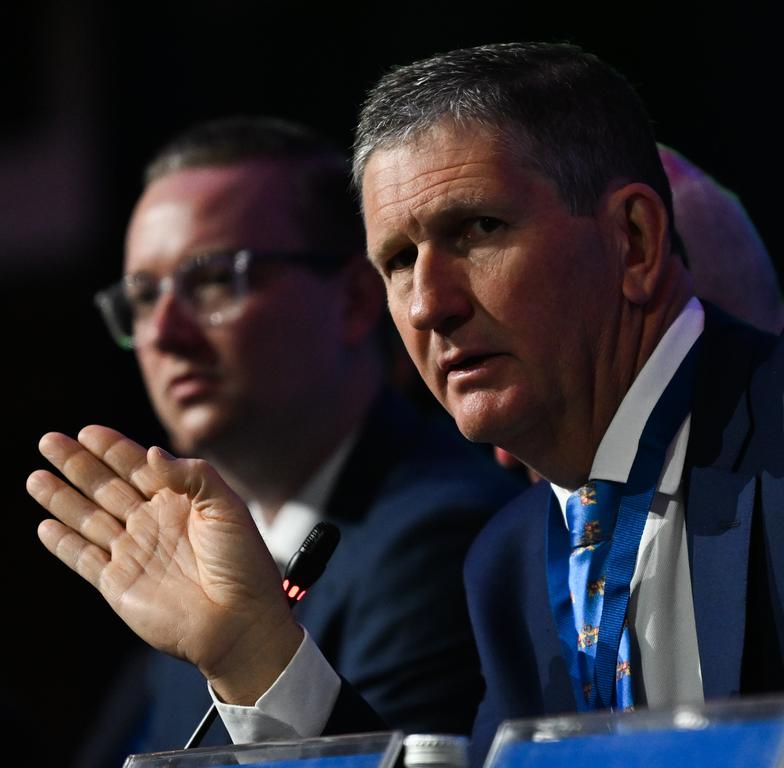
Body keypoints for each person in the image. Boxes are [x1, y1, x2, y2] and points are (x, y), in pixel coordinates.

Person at [28, 44, 784, 767]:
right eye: (396, 262)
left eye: (477, 229)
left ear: (633, 241)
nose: (428, 302)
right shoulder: (508, 560)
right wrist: (254, 651)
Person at [73, 116, 524, 765]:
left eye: (213, 280)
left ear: (352, 302)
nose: (165, 333)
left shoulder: (446, 535)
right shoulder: (180, 556)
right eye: (144, 297)